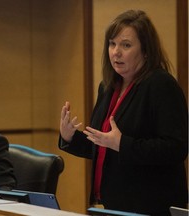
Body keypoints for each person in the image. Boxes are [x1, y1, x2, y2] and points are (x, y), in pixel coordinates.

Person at [59, 10, 188, 216]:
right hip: (112, 203)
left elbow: (176, 148)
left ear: (146, 50)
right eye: (112, 44)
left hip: (150, 206)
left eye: (126, 45)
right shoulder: (108, 87)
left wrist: (122, 144)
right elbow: (102, 145)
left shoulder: (161, 85)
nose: (115, 52)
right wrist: (69, 137)